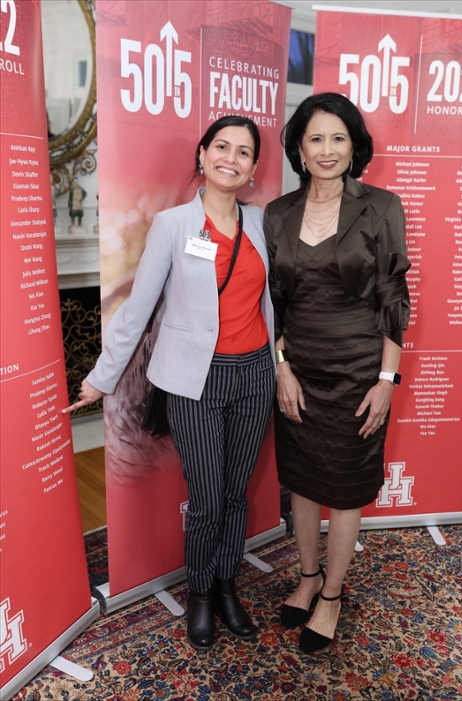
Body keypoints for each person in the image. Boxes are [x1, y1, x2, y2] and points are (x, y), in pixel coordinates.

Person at [63, 116, 276, 651]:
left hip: (255, 375)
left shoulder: (259, 223)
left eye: (243, 151)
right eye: (221, 146)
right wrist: (101, 378)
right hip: (194, 381)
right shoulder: (173, 225)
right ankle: (200, 593)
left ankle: (227, 585)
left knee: (235, 494)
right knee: (206, 499)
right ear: (202, 155)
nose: (231, 158)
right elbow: (137, 310)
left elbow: (272, 302)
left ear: (253, 167)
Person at [264, 93, 410, 654]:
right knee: (302, 481)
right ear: (299, 150)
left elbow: (393, 299)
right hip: (298, 369)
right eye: (315, 138)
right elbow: (273, 304)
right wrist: (281, 369)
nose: (327, 149)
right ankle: (306, 576)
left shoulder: (382, 207)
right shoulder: (277, 213)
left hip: (358, 372)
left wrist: (385, 381)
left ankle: (331, 594)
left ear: (355, 148)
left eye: (338, 138)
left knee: (345, 487)